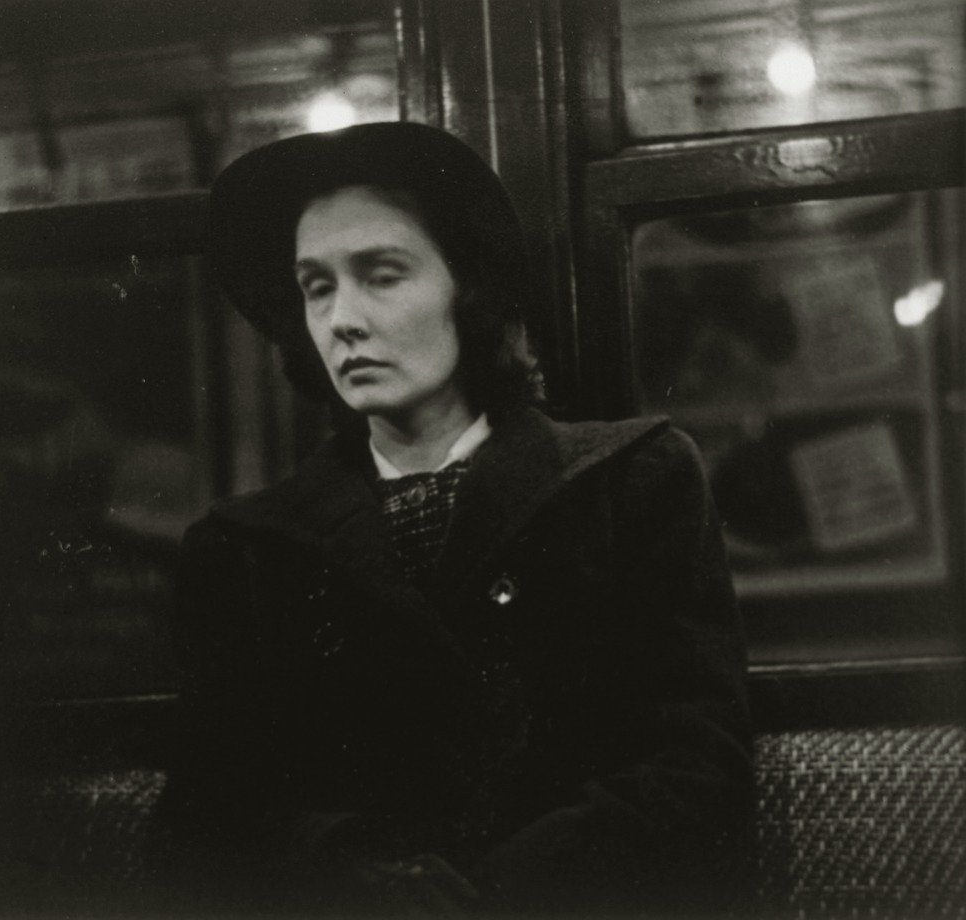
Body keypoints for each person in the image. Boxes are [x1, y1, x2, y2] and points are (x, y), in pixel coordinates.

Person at [153, 122, 753, 916]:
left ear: (467, 291)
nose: (343, 320)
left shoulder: (630, 484)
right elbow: (203, 823)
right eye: (316, 285)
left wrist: (489, 891)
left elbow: (694, 767)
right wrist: (361, 884)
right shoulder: (246, 549)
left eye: (382, 274)